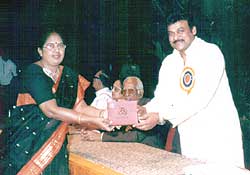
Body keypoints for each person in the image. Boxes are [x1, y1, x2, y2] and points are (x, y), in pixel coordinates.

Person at [135, 12, 245, 168]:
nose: (176, 37)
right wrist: (145, 110)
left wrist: (159, 116)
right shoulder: (169, 62)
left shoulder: (210, 53)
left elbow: (198, 99)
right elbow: (162, 97)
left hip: (218, 137)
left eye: (181, 31)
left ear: (193, 30)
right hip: (190, 140)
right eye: (171, 33)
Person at [1, 30, 113, 175]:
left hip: (55, 144)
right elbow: (50, 110)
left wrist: (106, 114)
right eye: (50, 46)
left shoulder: (70, 75)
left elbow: (80, 107)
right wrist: (93, 121)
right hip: (27, 144)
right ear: (40, 51)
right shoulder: (33, 72)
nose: (56, 50)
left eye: (60, 45)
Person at [82, 76, 169, 149]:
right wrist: (96, 131)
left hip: (151, 151)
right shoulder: (125, 107)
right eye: (124, 91)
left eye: (130, 91)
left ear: (140, 93)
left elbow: (136, 135)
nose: (126, 95)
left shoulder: (148, 106)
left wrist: (101, 137)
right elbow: (114, 125)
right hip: (129, 149)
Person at [0, 48, 18, 114]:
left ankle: (8, 113)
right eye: (4, 53)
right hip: (0, 84)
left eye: (7, 54)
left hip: (8, 85)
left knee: (7, 101)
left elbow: (15, 75)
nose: (5, 55)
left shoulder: (12, 64)